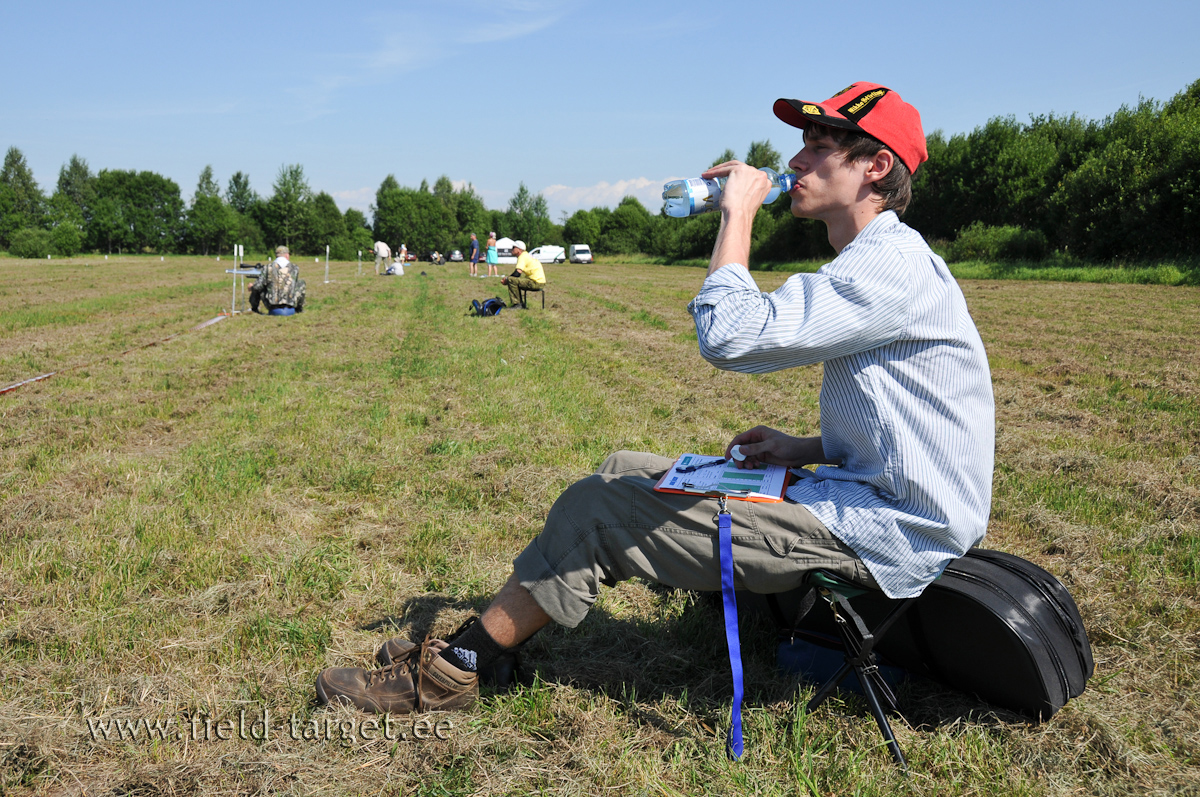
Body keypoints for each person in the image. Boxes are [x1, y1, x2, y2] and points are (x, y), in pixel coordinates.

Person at [315, 81, 995, 716]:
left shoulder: (889, 266)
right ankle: (500, 639)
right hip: (862, 496)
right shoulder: (881, 262)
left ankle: (453, 672)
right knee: (622, 467)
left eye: (819, 146)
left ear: (875, 167)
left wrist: (737, 218)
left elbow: (730, 336)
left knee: (597, 509)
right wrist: (803, 447)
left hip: (887, 531)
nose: (796, 159)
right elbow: (911, 427)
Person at [249, 245, 306, 314]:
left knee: (258, 286)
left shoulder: (268, 267)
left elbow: (257, 286)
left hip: (272, 306)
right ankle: (299, 309)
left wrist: (251, 287)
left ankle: (254, 308)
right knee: (301, 283)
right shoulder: (295, 268)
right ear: (287, 255)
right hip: (290, 305)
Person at [499, 240, 546, 308]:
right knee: (513, 280)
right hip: (540, 282)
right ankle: (520, 303)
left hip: (535, 282)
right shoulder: (526, 255)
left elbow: (518, 273)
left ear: (519, 249)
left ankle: (517, 304)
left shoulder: (522, 257)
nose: (512, 249)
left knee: (511, 280)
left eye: (513, 247)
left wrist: (506, 279)